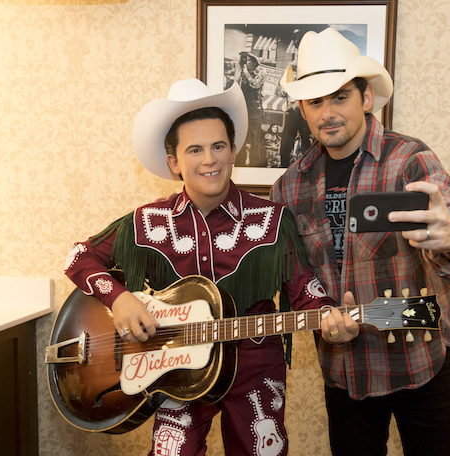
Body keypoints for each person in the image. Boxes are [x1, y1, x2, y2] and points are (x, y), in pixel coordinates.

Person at [63, 78, 355, 456]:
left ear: (234, 150)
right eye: (195, 149)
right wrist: (118, 299)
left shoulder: (271, 219)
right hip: (174, 370)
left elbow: (303, 291)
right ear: (174, 162)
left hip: (255, 371)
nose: (209, 159)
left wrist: (330, 317)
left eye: (218, 146)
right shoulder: (146, 222)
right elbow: (77, 257)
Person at [270, 28, 450, 456]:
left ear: (366, 98)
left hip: (423, 361)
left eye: (339, 97)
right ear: (302, 110)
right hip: (345, 370)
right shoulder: (289, 188)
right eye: (315, 101)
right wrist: (317, 314)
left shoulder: (409, 159)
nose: (328, 113)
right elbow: (293, 281)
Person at [234, 51, 265, 167]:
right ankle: (240, 165)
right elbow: (236, 85)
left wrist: (246, 72)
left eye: (247, 60)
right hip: (242, 109)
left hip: (254, 110)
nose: (245, 62)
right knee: (241, 138)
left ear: (254, 62)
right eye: (244, 59)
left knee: (254, 139)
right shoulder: (242, 74)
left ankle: (255, 166)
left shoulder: (260, 73)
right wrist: (239, 69)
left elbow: (254, 84)